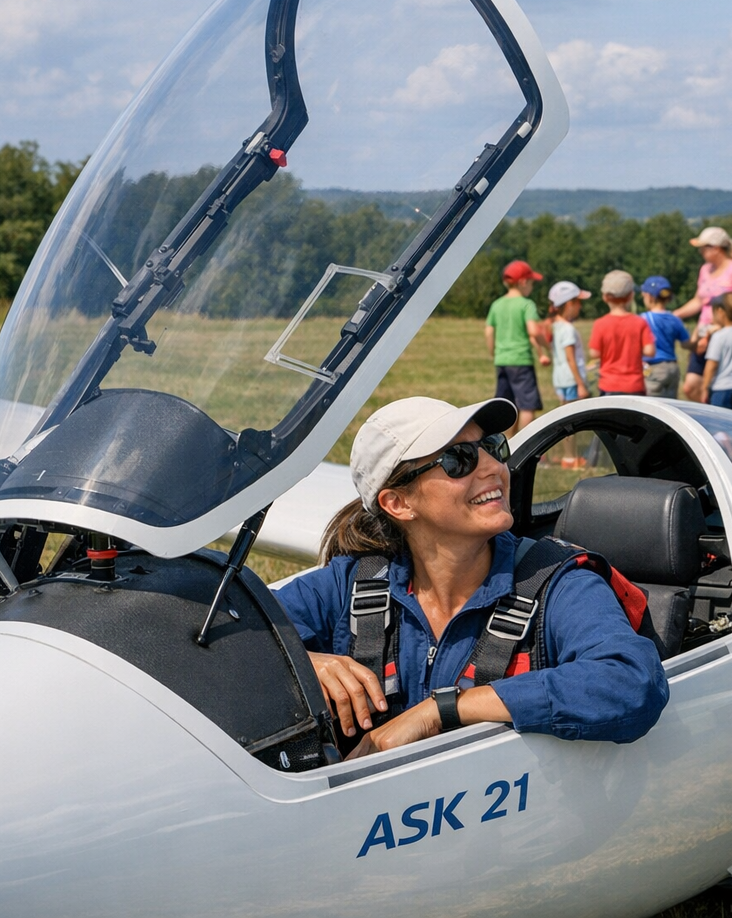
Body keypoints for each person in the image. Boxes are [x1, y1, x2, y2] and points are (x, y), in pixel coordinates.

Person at [273, 396, 668, 758]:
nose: (494, 467)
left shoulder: (558, 583)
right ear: (397, 503)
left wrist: (442, 711)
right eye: (458, 459)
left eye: (493, 447)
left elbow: (631, 681)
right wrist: (308, 662)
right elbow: (226, 639)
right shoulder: (350, 586)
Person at [675, 227, 732, 402]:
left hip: (728, 336)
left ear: (716, 248)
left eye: (703, 248)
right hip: (705, 334)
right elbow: (698, 300)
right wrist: (675, 315)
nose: (700, 252)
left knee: (727, 385)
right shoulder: (705, 270)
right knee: (691, 385)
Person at [485, 260, 550, 433]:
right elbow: (534, 331)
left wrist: (493, 352)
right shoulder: (526, 304)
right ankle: (524, 444)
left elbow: (489, 332)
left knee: (507, 405)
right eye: (531, 283)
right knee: (527, 405)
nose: (532, 287)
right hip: (521, 360)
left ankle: (507, 444)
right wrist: (548, 347)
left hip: (502, 360)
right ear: (523, 282)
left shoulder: (496, 304)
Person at [588, 269, 654, 396]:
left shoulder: (600, 324)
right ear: (631, 296)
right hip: (635, 386)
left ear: (605, 297)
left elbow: (594, 353)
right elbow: (650, 351)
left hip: (609, 385)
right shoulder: (640, 322)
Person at [547, 280, 591, 468]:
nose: (580, 306)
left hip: (559, 379)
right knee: (572, 421)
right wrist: (581, 383)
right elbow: (571, 359)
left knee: (564, 418)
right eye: (578, 302)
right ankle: (571, 458)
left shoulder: (555, 326)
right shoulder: (569, 329)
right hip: (571, 380)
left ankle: (567, 456)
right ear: (569, 304)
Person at [640, 275, 691, 398]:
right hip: (672, 369)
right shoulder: (674, 319)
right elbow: (686, 344)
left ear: (649, 296)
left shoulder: (643, 318)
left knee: (652, 408)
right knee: (670, 406)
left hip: (654, 368)